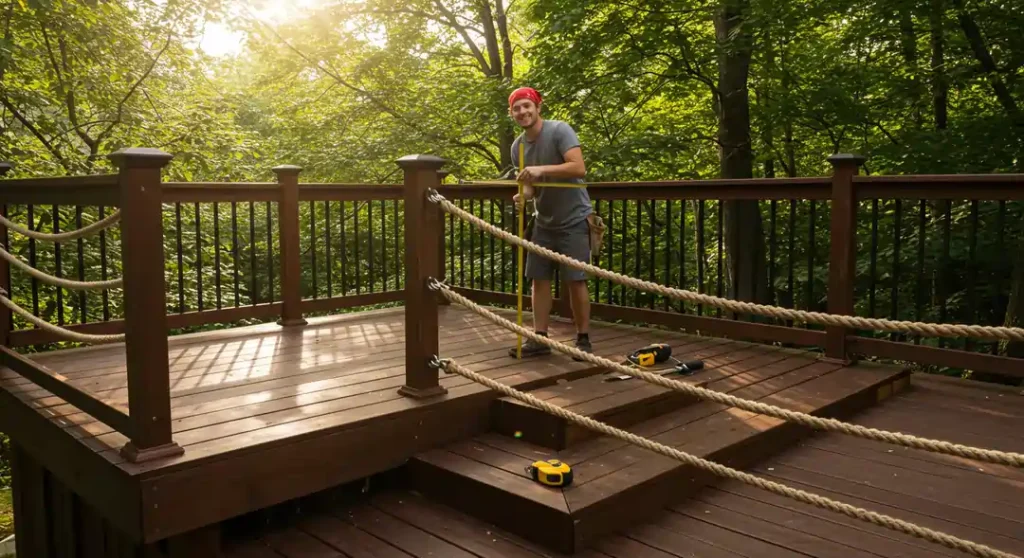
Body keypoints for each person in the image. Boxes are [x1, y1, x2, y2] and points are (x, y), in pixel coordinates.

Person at [506, 86, 595, 359]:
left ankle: (582, 339)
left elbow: (578, 167)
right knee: (538, 279)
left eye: (526, 106)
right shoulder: (518, 147)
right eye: (516, 108)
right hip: (543, 220)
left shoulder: (559, 130)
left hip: (575, 218)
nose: (522, 112)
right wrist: (524, 197)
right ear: (512, 114)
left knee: (575, 280)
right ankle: (540, 338)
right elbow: (531, 187)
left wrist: (540, 169)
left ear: (538, 107)